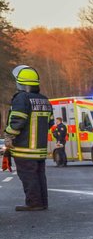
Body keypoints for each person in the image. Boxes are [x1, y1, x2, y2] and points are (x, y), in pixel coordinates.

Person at [4, 65, 53, 211]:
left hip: (24, 149)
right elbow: (50, 122)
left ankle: (34, 203)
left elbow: (17, 121)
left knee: (28, 176)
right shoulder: (44, 100)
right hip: (40, 149)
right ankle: (42, 202)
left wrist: (8, 135)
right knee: (39, 176)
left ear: (21, 83)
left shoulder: (21, 98)